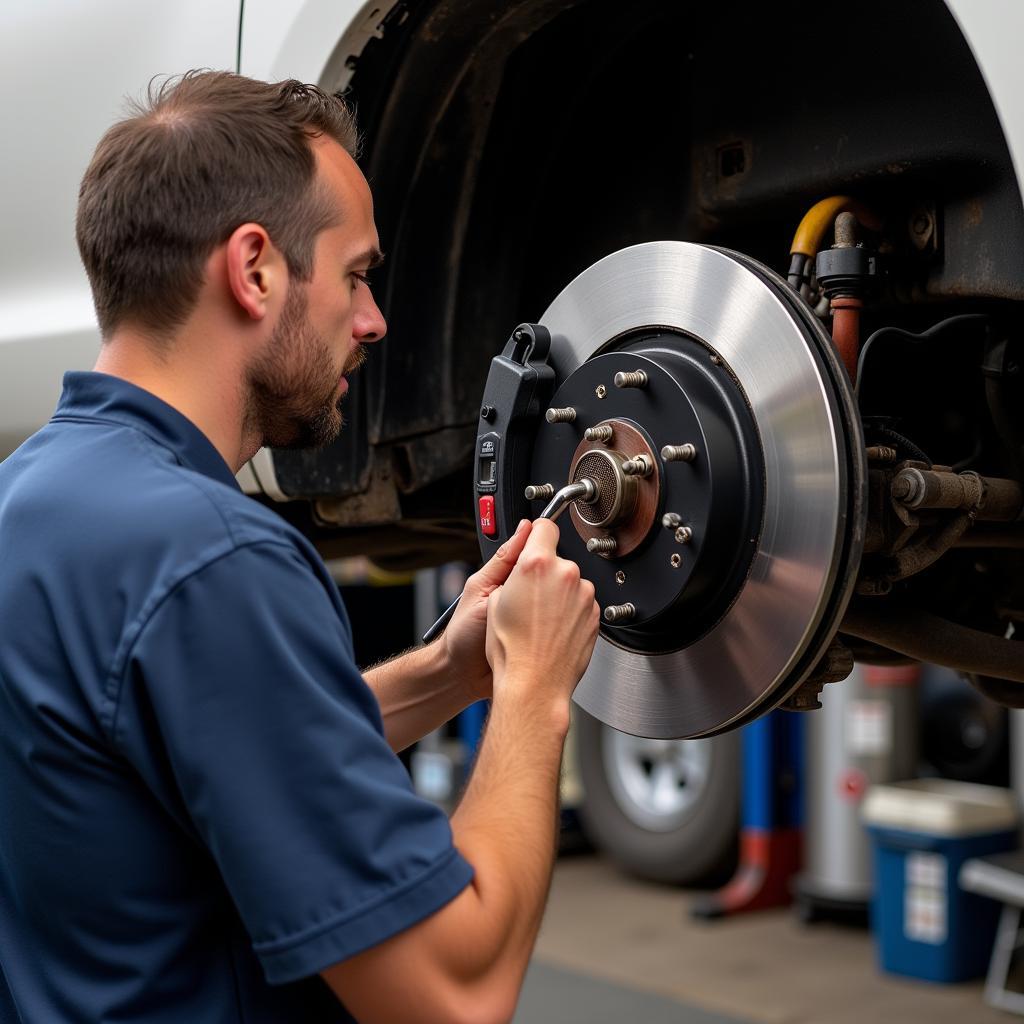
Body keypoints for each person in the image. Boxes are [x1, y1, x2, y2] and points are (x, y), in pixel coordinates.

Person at [0, 71, 599, 1023]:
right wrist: (533, 689)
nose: (374, 321)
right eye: (357, 274)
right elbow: (456, 992)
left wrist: (449, 671)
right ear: (255, 269)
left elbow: (210, 752)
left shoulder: (29, 502)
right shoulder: (214, 558)